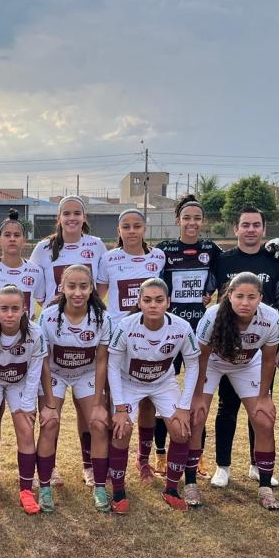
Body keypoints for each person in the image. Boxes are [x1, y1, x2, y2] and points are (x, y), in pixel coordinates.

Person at [206, 205, 279, 489]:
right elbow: (208, 295)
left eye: (256, 225)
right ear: (236, 229)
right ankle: (223, 466)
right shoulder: (222, 261)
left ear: (263, 229)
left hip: (260, 349)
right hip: (226, 347)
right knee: (227, 407)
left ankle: (257, 465)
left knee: (259, 407)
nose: (250, 230)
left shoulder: (275, 263)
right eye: (245, 225)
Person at [30, 195, 108, 484]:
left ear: (84, 217)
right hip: (58, 327)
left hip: (86, 326)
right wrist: (54, 310)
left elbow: (100, 282)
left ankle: (89, 466)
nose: (72, 218)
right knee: (51, 414)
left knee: (88, 412)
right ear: (59, 218)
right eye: (66, 213)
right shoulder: (43, 248)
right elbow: (39, 289)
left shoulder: (96, 245)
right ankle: (48, 471)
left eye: (77, 213)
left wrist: (90, 305)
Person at [106, 278, 199, 514]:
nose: (153, 305)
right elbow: (113, 366)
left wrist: (184, 407)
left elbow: (193, 365)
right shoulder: (125, 326)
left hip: (163, 383)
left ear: (168, 302)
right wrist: (119, 408)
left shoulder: (182, 327)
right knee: (121, 429)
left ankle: (171, 490)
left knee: (181, 430)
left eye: (159, 300)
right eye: (147, 300)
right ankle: (118, 493)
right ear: (139, 302)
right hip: (129, 383)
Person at [192, 273, 279, 510]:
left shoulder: (271, 317)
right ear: (229, 296)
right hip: (212, 362)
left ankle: (264, 485)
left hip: (248, 363)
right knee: (197, 416)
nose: (245, 302)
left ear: (261, 298)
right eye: (239, 296)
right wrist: (198, 394)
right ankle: (190, 481)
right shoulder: (212, 316)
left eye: (252, 297)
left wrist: (264, 397)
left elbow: (268, 360)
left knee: (263, 420)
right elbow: (200, 356)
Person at [154, 195, 222, 480]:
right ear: (178, 220)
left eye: (197, 218)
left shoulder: (212, 249)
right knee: (161, 391)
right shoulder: (164, 250)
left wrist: (212, 291)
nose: (192, 223)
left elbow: (226, 276)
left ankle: (199, 455)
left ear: (202, 222)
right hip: (168, 329)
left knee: (197, 397)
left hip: (199, 333)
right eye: (187, 217)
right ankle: (159, 454)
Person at [98, 208, 168, 486]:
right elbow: (100, 295)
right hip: (119, 336)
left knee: (149, 399)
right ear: (119, 231)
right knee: (113, 399)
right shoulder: (108, 259)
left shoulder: (157, 257)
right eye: (125, 226)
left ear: (144, 229)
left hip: (150, 335)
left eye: (136, 226)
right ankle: (110, 462)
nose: (131, 231)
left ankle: (143, 460)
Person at [37, 263, 111, 502]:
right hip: (56, 373)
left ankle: (99, 484)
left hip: (86, 374)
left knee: (99, 423)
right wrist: (49, 402)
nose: (77, 292)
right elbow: (44, 360)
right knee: (49, 422)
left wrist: (99, 402)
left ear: (92, 289)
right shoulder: (48, 317)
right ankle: (45, 484)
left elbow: (101, 362)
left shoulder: (102, 318)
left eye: (83, 286)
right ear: (62, 288)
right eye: (72, 286)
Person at [0, 285, 48, 513]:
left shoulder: (35, 333)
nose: (9, 314)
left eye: (15, 309)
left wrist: (27, 406)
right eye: (4, 308)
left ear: (24, 309)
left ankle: (26, 490)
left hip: (20, 382)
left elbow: (35, 371)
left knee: (25, 429)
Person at [0, 209, 48, 316]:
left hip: (26, 331)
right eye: (7, 235)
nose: (12, 239)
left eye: (17, 235)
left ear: (24, 240)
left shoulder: (36, 271)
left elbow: (42, 300)